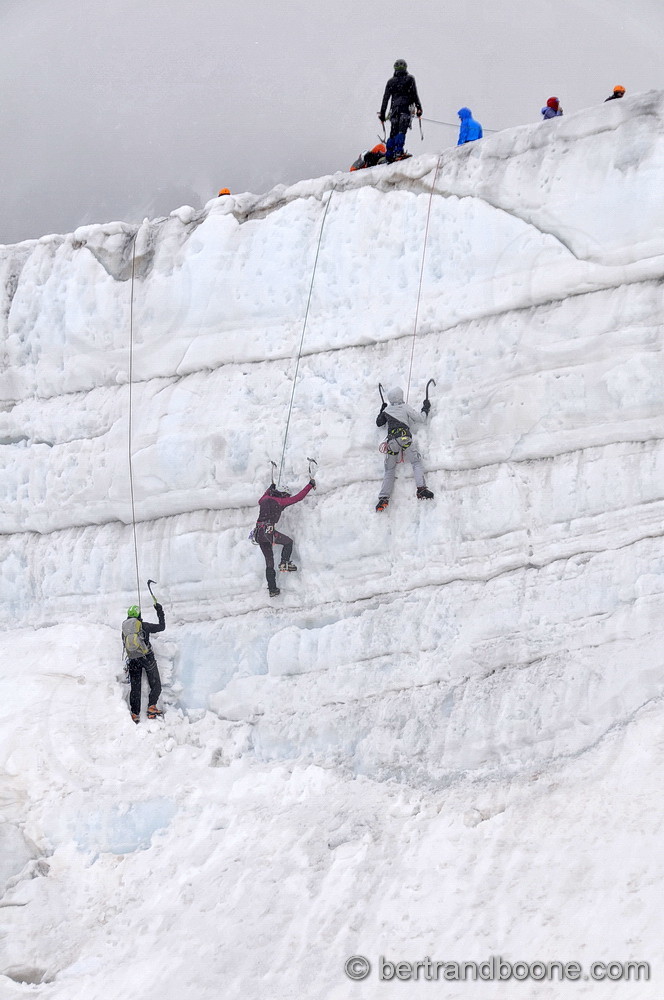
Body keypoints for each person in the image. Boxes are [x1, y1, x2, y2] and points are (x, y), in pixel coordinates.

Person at [375, 386, 434, 511]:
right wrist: (426, 407)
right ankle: (421, 489)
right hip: (404, 439)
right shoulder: (405, 407)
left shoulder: (387, 409)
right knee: (416, 462)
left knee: (389, 470)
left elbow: (379, 422)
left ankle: (383, 498)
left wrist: (382, 410)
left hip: (391, 442)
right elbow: (421, 418)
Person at [255, 480, 315, 597]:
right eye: (287, 495)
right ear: (283, 494)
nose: (288, 497)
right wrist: (310, 485)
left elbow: (262, 497)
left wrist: (270, 487)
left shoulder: (264, 499)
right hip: (268, 531)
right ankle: (284, 562)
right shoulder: (280, 501)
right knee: (288, 542)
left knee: (269, 561)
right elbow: (298, 497)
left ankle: (272, 589)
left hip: (258, 533)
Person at [122, 603, 166, 723]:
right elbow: (162, 627)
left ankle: (135, 714)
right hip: (147, 658)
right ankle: (152, 707)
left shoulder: (124, 629)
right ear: (138, 615)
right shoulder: (143, 625)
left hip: (132, 660)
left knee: (135, 687)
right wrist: (159, 611)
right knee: (155, 682)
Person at [378, 59, 423, 163]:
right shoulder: (410, 79)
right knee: (401, 131)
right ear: (405, 68)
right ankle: (399, 152)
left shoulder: (390, 82)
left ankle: (389, 155)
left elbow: (385, 99)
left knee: (393, 133)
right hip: (405, 109)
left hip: (393, 111)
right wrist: (419, 108)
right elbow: (414, 94)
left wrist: (382, 114)